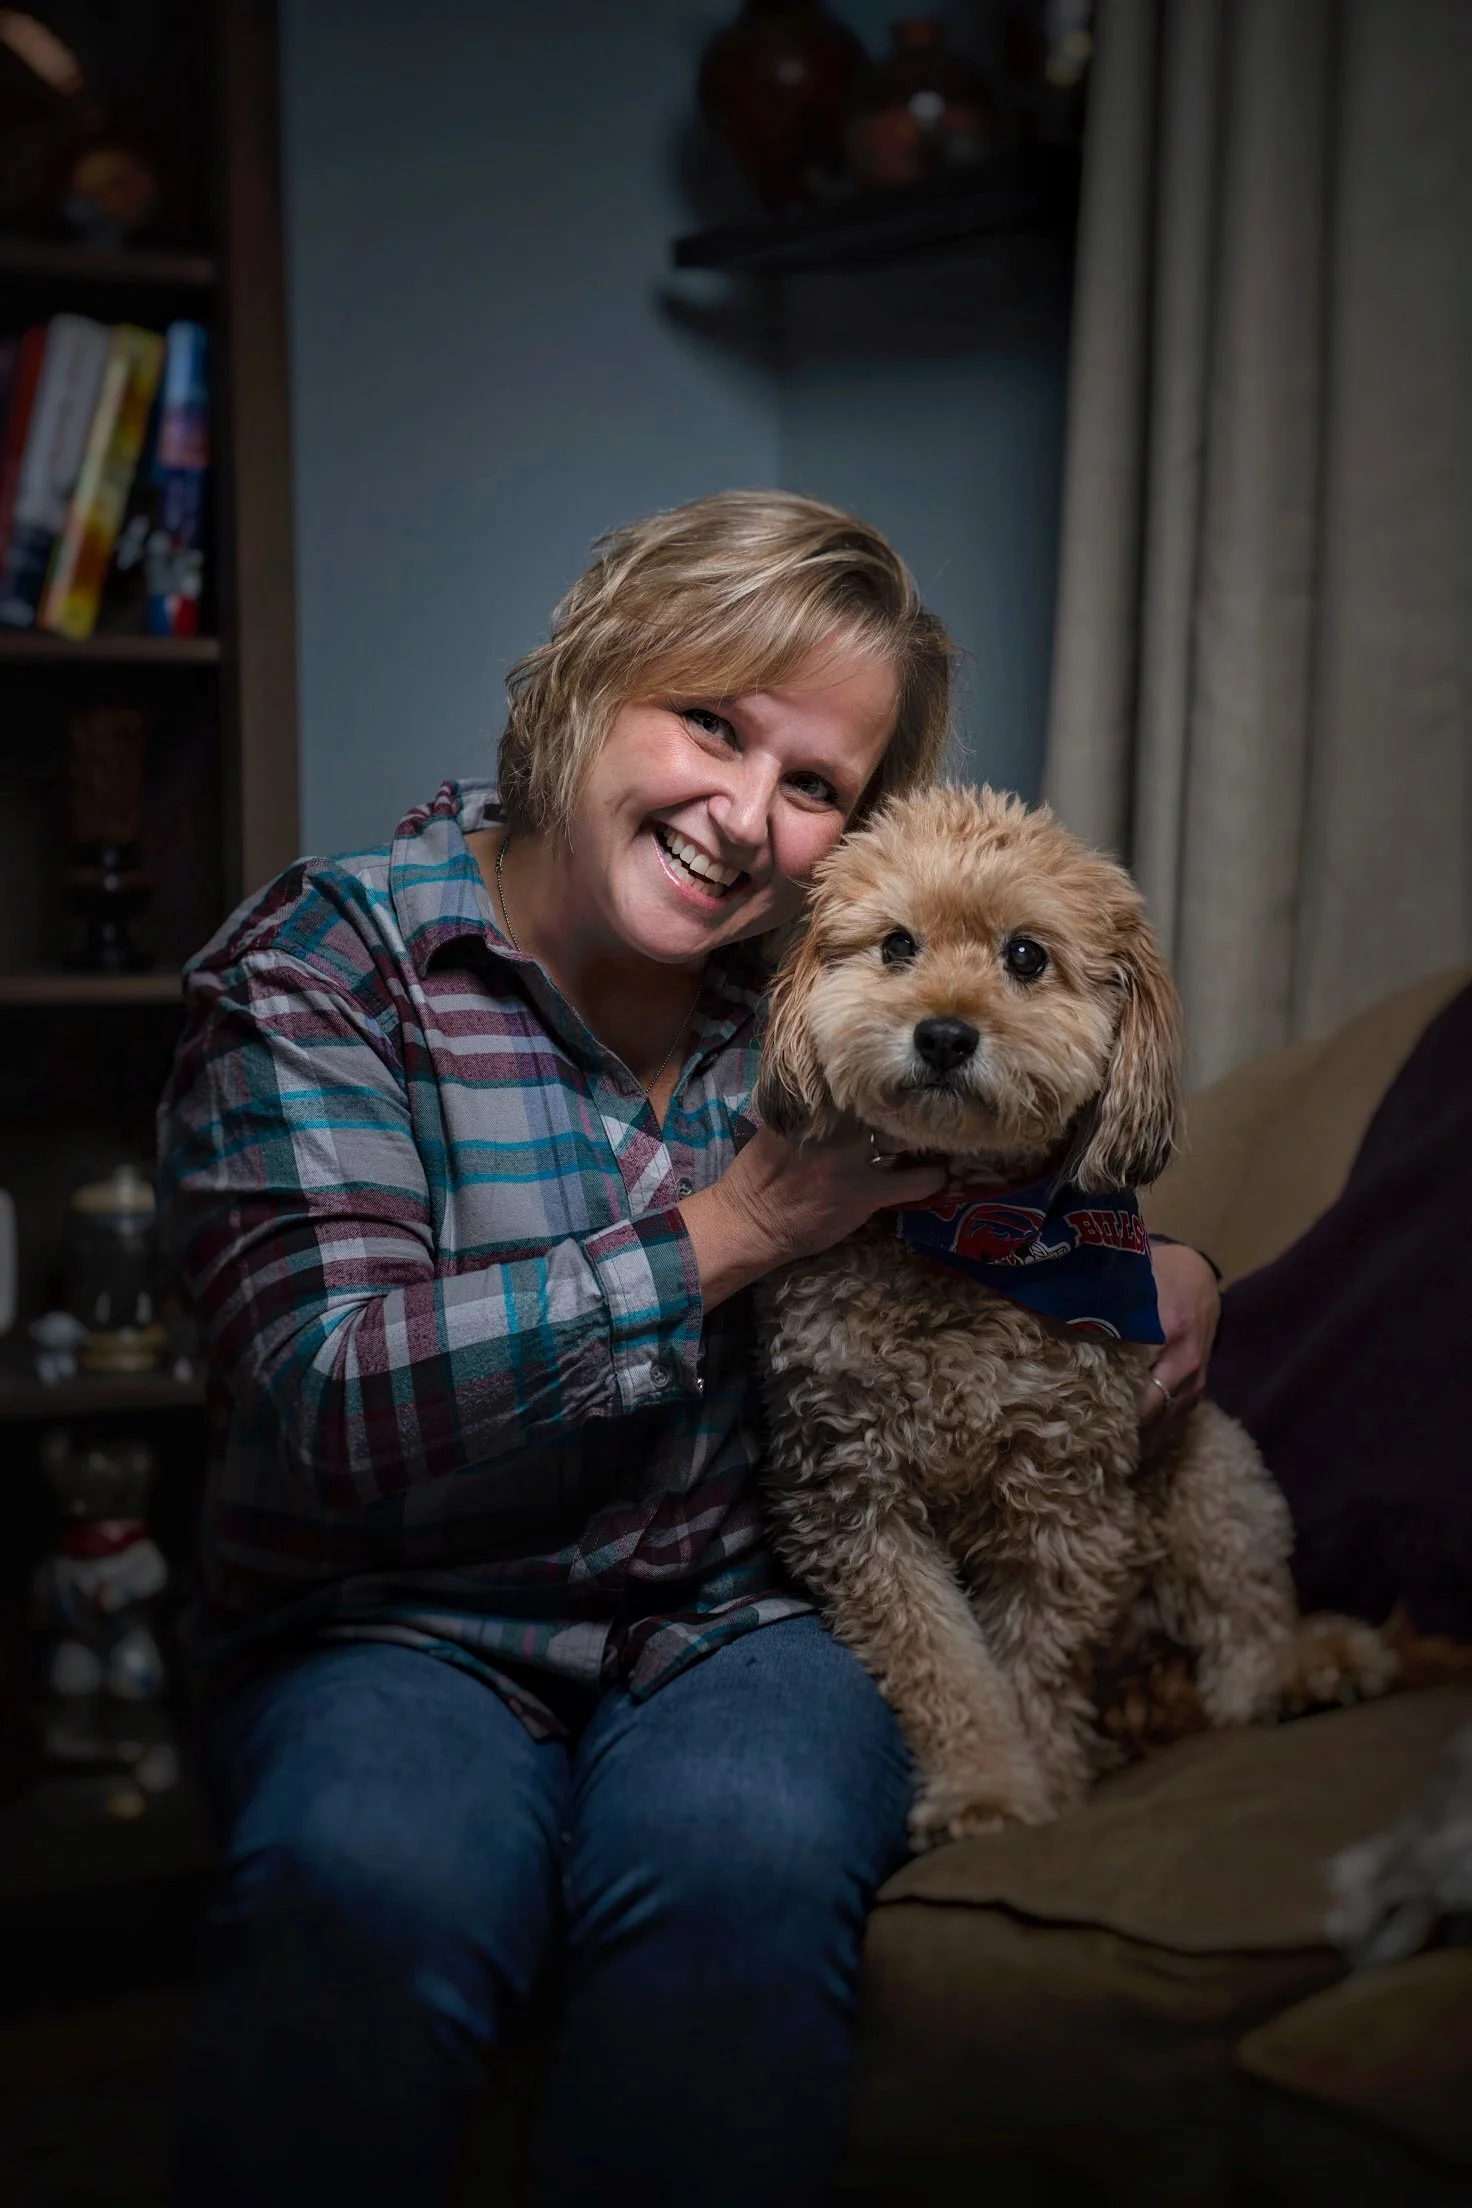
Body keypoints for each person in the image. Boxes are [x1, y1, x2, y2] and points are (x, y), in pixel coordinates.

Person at [160, 492, 1220, 2208]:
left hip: (745, 1625)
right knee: (376, 1878)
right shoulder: (326, 969)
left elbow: (1015, 1190)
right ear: (587, 681)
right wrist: (735, 1229)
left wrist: (1177, 1266)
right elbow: (325, 1391)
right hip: (399, 1625)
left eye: (815, 787)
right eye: (710, 725)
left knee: (752, 1863)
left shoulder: (822, 977)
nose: (744, 819)